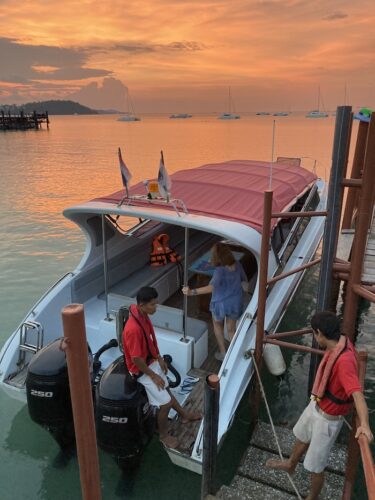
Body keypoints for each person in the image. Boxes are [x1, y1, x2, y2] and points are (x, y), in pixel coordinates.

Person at [266, 311, 373, 500]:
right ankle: (290, 464)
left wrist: (364, 424)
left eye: (314, 334)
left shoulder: (344, 362)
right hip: (316, 405)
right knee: (302, 435)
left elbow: (357, 394)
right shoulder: (338, 342)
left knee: (315, 466)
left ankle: (312, 497)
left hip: (328, 421)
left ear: (320, 334)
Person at [122, 286, 201, 449]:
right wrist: (153, 375)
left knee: (167, 388)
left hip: (150, 362)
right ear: (141, 305)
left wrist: (159, 358)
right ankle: (164, 435)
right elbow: (136, 359)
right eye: (152, 305)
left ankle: (184, 415)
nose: (155, 307)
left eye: (155, 304)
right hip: (141, 370)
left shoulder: (143, 316)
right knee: (164, 404)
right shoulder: (133, 329)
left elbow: (151, 340)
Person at [182, 242, 247, 361]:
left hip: (220, 304)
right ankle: (238, 354)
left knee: (217, 326)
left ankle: (223, 354)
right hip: (235, 302)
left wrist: (191, 292)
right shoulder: (238, 264)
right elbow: (244, 282)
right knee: (231, 330)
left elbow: (211, 288)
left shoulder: (219, 270)